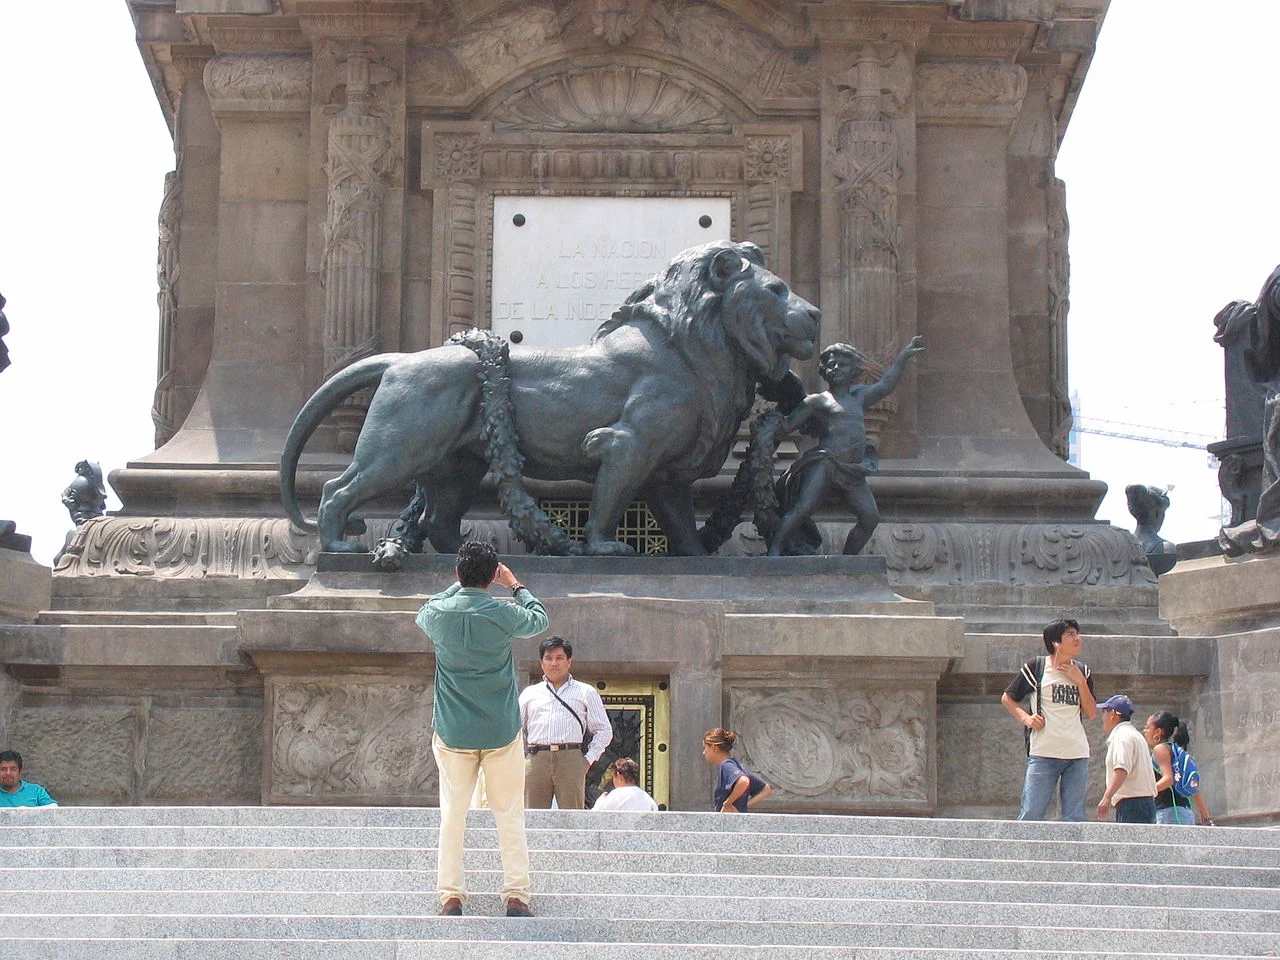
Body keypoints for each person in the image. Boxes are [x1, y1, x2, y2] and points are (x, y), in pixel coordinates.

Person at [416, 541, 548, 918]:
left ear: (458, 574)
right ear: (493, 576)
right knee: (509, 814)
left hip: (453, 730)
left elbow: (423, 611)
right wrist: (515, 585)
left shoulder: (439, 613)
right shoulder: (504, 613)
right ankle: (516, 895)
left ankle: (451, 896)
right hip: (500, 730)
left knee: (452, 816)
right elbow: (539, 619)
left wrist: (456, 587)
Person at [768, 336, 925, 556]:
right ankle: (774, 551)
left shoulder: (860, 396)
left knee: (870, 518)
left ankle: (848, 560)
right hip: (826, 463)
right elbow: (787, 426)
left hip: (853, 470)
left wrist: (904, 356)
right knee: (802, 509)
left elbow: (886, 384)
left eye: (842, 364)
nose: (835, 368)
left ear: (854, 369)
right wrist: (769, 425)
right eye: (831, 364)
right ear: (824, 370)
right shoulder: (817, 401)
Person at [1000, 618, 1097, 821]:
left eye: (1077, 634)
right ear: (1056, 642)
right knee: (1031, 813)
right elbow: (1007, 698)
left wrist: (1080, 682)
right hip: (1044, 752)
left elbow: (1091, 712)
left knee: (1074, 818)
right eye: (1071, 635)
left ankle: (1070, 853)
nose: (1078, 638)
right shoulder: (1037, 667)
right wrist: (1026, 718)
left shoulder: (1083, 671)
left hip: (1077, 753)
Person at [519, 637, 613, 810]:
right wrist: (524, 758)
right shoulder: (529, 694)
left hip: (571, 758)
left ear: (569, 661)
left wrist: (586, 760)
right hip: (536, 759)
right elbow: (517, 730)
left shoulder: (585, 692)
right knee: (533, 818)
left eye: (559, 658)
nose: (554, 663)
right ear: (541, 663)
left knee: (572, 818)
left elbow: (603, 730)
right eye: (548, 658)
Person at [1144, 711, 1215, 826]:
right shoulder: (1177, 751)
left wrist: (1146, 792)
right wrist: (1206, 816)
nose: (1145, 731)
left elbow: (1168, 779)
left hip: (1169, 814)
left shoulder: (1160, 749)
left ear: (1158, 731)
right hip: (1185, 813)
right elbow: (1193, 787)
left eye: (1147, 727)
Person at [1097, 694, 1158, 823]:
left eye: (1104, 712)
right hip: (1144, 803)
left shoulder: (1122, 736)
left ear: (1113, 714)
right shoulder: (1135, 735)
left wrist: (1107, 798)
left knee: (1131, 843)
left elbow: (1122, 769)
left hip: (1132, 805)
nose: (1102, 718)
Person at [702, 728, 771, 813]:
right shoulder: (737, 766)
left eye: (705, 748)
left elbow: (744, 781)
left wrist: (727, 804)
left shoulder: (727, 766)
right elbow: (766, 789)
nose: (704, 752)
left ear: (713, 747)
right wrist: (743, 808)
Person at [592, 758, 658, 812]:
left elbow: (595, 817)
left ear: (619, 776)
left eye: (613, 777)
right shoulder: (649, 800)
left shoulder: (618, 794)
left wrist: (600, 801)